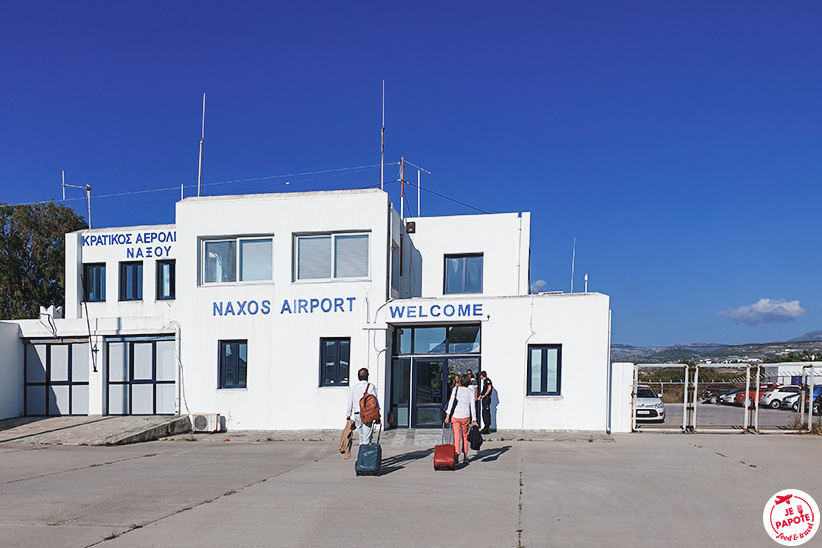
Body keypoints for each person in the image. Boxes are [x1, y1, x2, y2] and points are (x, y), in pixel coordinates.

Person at [444, 373, 477, 465]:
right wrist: (474, 419)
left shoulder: (456, 389)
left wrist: (447, 416)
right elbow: (473, 407)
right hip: (466, 416)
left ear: (461, 381)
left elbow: (451, 403)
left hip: (455, 416)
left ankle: (457, 458)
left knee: (457, 437)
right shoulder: (471, 391)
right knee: (465, 436)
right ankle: (465, 457)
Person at [346, 368, 380, 446]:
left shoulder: (354, 388)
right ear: (367, 376)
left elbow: (350, 402)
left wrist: (348, 415)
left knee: (361, 436)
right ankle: (365, 456)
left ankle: (361, 455)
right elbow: (375, 401)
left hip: (357, 414)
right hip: (367, 414)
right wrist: (378, 415)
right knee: (367, 437)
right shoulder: (370, 387)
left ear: (358, 377)